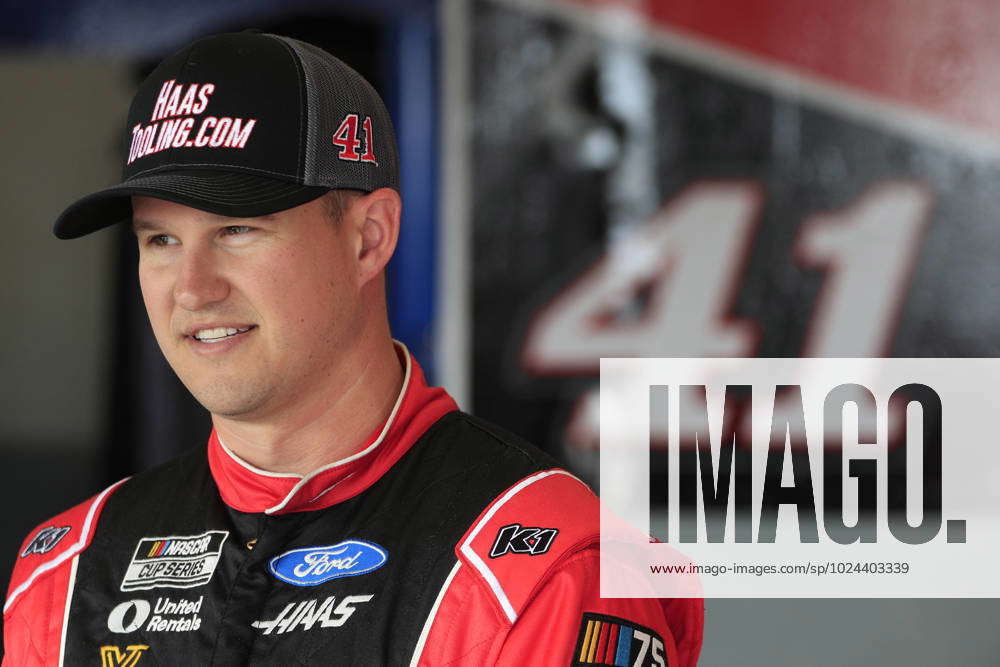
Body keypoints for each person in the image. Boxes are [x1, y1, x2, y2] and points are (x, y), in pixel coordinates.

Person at [2, 31, 702, 666]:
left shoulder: (538, 570)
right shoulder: (65, 572)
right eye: (160, 239)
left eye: (238, 229)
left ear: (369, 238)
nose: (192, 287)